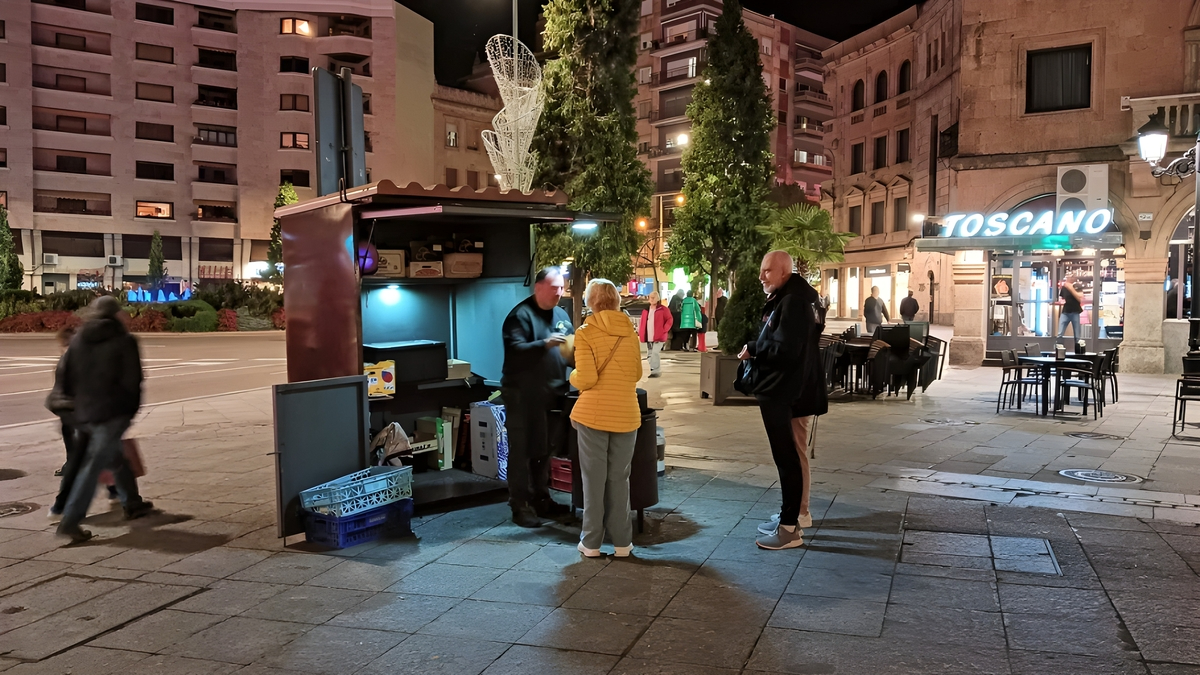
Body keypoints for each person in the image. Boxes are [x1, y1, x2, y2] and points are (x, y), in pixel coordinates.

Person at [739, 251, 827, 550]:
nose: (761, 276)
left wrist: (755, 349)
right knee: (790, 455)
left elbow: (786, 349)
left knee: (788, 456)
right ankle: (791, 518)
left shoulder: (793, 301)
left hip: (783, 390)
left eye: (767, 271)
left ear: (784, 272)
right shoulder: (794, 297)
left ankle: (791, 525)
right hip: (788, 389)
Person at [57, 296, 154, 543]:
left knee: (114, 457)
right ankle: (70, 521)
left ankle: (132, 502)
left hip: (84, 412)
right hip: (112, 413)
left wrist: (72, 407)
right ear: (116, 314)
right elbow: (133, 381)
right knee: (93, 467)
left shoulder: (79, 338)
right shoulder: (124, 340)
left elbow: (64, 373)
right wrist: (129, 412)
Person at [569, 279, 644, 557]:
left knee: (594, 480)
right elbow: (636, 374)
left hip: (594, 416)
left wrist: (572, 376)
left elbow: (586, 378)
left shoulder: (586, 332)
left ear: (591, 301)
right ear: (615, 300)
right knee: (619, 478)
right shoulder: (630, 332)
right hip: (626, 414)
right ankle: (623, 542)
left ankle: (591, 543)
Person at [501, 267, 574, 528]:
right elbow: (516, 350)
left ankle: (542, 498)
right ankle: (519, 504)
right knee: (521, 451)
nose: (559, 292)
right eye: (554, 288)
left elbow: (571, 351)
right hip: (521, 395)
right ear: (538, 287)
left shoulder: (563, 315)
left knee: (545, 450)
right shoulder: (519, 316)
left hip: (553, 393)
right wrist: (544, 344)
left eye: (562, 288)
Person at [639, 291, 673, 377]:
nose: (652, 299)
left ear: (658, 298)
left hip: (659, 336)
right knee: (650, 354)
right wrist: (641, 333)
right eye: (651, 297)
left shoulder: (663, 309)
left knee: (655, 353)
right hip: (648, 336)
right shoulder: (645, 310)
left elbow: (669, 320)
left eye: (654, 297)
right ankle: (653, 369)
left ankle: (656, 370)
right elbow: (643, 322)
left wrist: (664, 329)